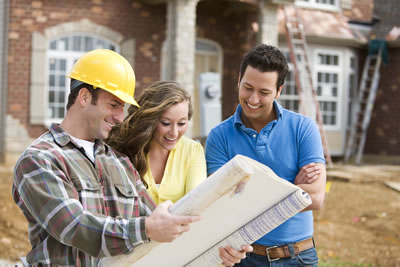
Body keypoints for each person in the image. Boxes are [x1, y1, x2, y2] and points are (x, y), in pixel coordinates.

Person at [12, 49, 249, 266]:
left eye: (122, 107)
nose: (119, 116)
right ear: (84, 97)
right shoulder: (40, 159)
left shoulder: (118, 162)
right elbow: (74, 227)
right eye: (114, 105)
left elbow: (162, 225)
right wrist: (146, 229)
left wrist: (219, 249)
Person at [205, 44, 326, 266]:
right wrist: (292, 187)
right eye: (248, 87)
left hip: (298, 256)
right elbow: (222, 202)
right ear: (239, 79)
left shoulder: (303, 128)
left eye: (264, 92)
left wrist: (248, 192)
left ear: (279, 90)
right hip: (245, 257)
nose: (253, 99)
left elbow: (316, 198)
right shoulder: (219, 137)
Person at [107, 81, 206, 205]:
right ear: (150, 120)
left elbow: (196, 201)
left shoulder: (193, 150)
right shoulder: (124, 148)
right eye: (165, 123)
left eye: (181, 123)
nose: (174, 133)